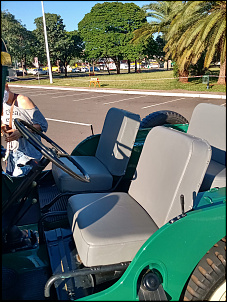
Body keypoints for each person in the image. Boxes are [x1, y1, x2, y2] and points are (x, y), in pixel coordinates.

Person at [1, 83, 48, 176]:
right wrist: (4, 129)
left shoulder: (23, 101)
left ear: (6, 86)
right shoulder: (3, 105)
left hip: (29, 154)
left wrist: (22, 132)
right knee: (13, 186)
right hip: (12, 153)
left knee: (23, 185)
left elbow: (43, 125)